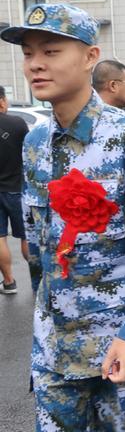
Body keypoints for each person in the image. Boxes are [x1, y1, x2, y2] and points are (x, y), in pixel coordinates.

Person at [3, 3, 125, 430]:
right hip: (55, 347)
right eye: (28, 53)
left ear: (89, 57)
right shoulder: (36, 142)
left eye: (50, 51)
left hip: (119, 344)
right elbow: (40, 251)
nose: (35, 65)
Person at [0, 85, 29, 294]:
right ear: (2, 101)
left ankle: (9, 282)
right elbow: (29, 156)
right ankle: (39, 280)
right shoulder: (17, 124)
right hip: (17, 189)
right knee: (26, 236)